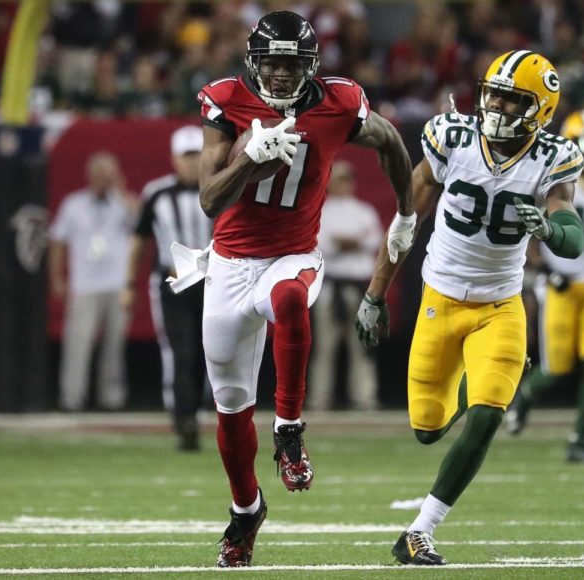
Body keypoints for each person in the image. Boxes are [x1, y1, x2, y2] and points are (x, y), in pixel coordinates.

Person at [169, 11, 415, 568]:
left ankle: (289, 428)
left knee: (289, 300)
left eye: (292, 63)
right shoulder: (226, 101)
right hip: (230, 264)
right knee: (230, 408)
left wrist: (406, 212)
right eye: (272, 63)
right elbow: (209, 200)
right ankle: (246, 510)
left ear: (311, 65)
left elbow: (391, 142)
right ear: (254, 63)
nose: (281, 73)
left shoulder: (338, 102)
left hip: (294, 254)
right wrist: (247, 160)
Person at [355, 50, 584, 565]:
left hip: (501, 305)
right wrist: (375, 292)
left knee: (486, 416)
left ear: (541, 109)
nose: (497, 105)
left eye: (512, 99)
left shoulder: (551, 158)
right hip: (440, 300)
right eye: (494, 94)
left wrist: (550, 230)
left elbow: (573, 234)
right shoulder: (453, 138)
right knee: (427, 429)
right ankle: (488, 376)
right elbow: (406, 221)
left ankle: (419, 531)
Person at [506, 110, 584, 463]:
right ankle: (525, 397)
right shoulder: (556, 183)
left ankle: (579, 440)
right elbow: (531, 233)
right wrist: (546, 271)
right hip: (560, 285)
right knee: (556, 367)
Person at [124, 125, 212, 451]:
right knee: (179, 350)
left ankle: (196, 412)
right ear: (174, 159)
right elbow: (139, 238)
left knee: (207, 351)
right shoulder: (157, 192)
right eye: (186, 156)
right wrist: (128, 283)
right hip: (173, 280)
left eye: (196, 155)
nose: (191, 162)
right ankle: (182, 418)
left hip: (212, 280)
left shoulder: (218, 187)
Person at [48, 152, 135, 412]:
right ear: (89, 175)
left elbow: (142, 219)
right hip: (84, 284)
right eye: (99, 173)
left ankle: (112, 398)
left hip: (117, 284)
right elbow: (57, 241)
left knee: (114, 345)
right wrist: (57, 277)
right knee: (78, 343)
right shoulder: (73, 204)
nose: (103, 179)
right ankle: (71, 397)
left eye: (108, 174)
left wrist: (120, 190)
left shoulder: (122, 204)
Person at [308, 160, 383, 411]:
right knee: (324, 347)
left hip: (359, 289)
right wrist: (352, 242)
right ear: (329, 182)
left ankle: (364, 398)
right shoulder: (320, 212)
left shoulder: (364, 211)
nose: (343, 184)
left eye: (347, 179)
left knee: (362, 346)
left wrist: (346, 242)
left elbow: (375, 241)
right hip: (329, 289)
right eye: (339, 179)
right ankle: (320, 398)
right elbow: (320, 245)